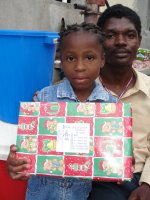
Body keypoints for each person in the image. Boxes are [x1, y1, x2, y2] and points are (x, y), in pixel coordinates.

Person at [7, 22, 116, 200]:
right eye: (71, 58)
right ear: (61, 59)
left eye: (89, 57)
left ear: (102, 59)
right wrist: (17, 162)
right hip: (41, 193)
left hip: (81, 194)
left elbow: (110, 154)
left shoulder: (111, 107)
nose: (79, 66)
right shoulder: (43, 99)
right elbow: (26, 151)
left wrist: (119, 161)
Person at [89, 4, 150, 200]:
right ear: (98, 41)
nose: (121, 42)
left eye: (130, 35)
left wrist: (147, 184)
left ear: (139, 41)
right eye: (110, 35)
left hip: (141, 175)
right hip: (95, 179)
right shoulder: (75, 91)